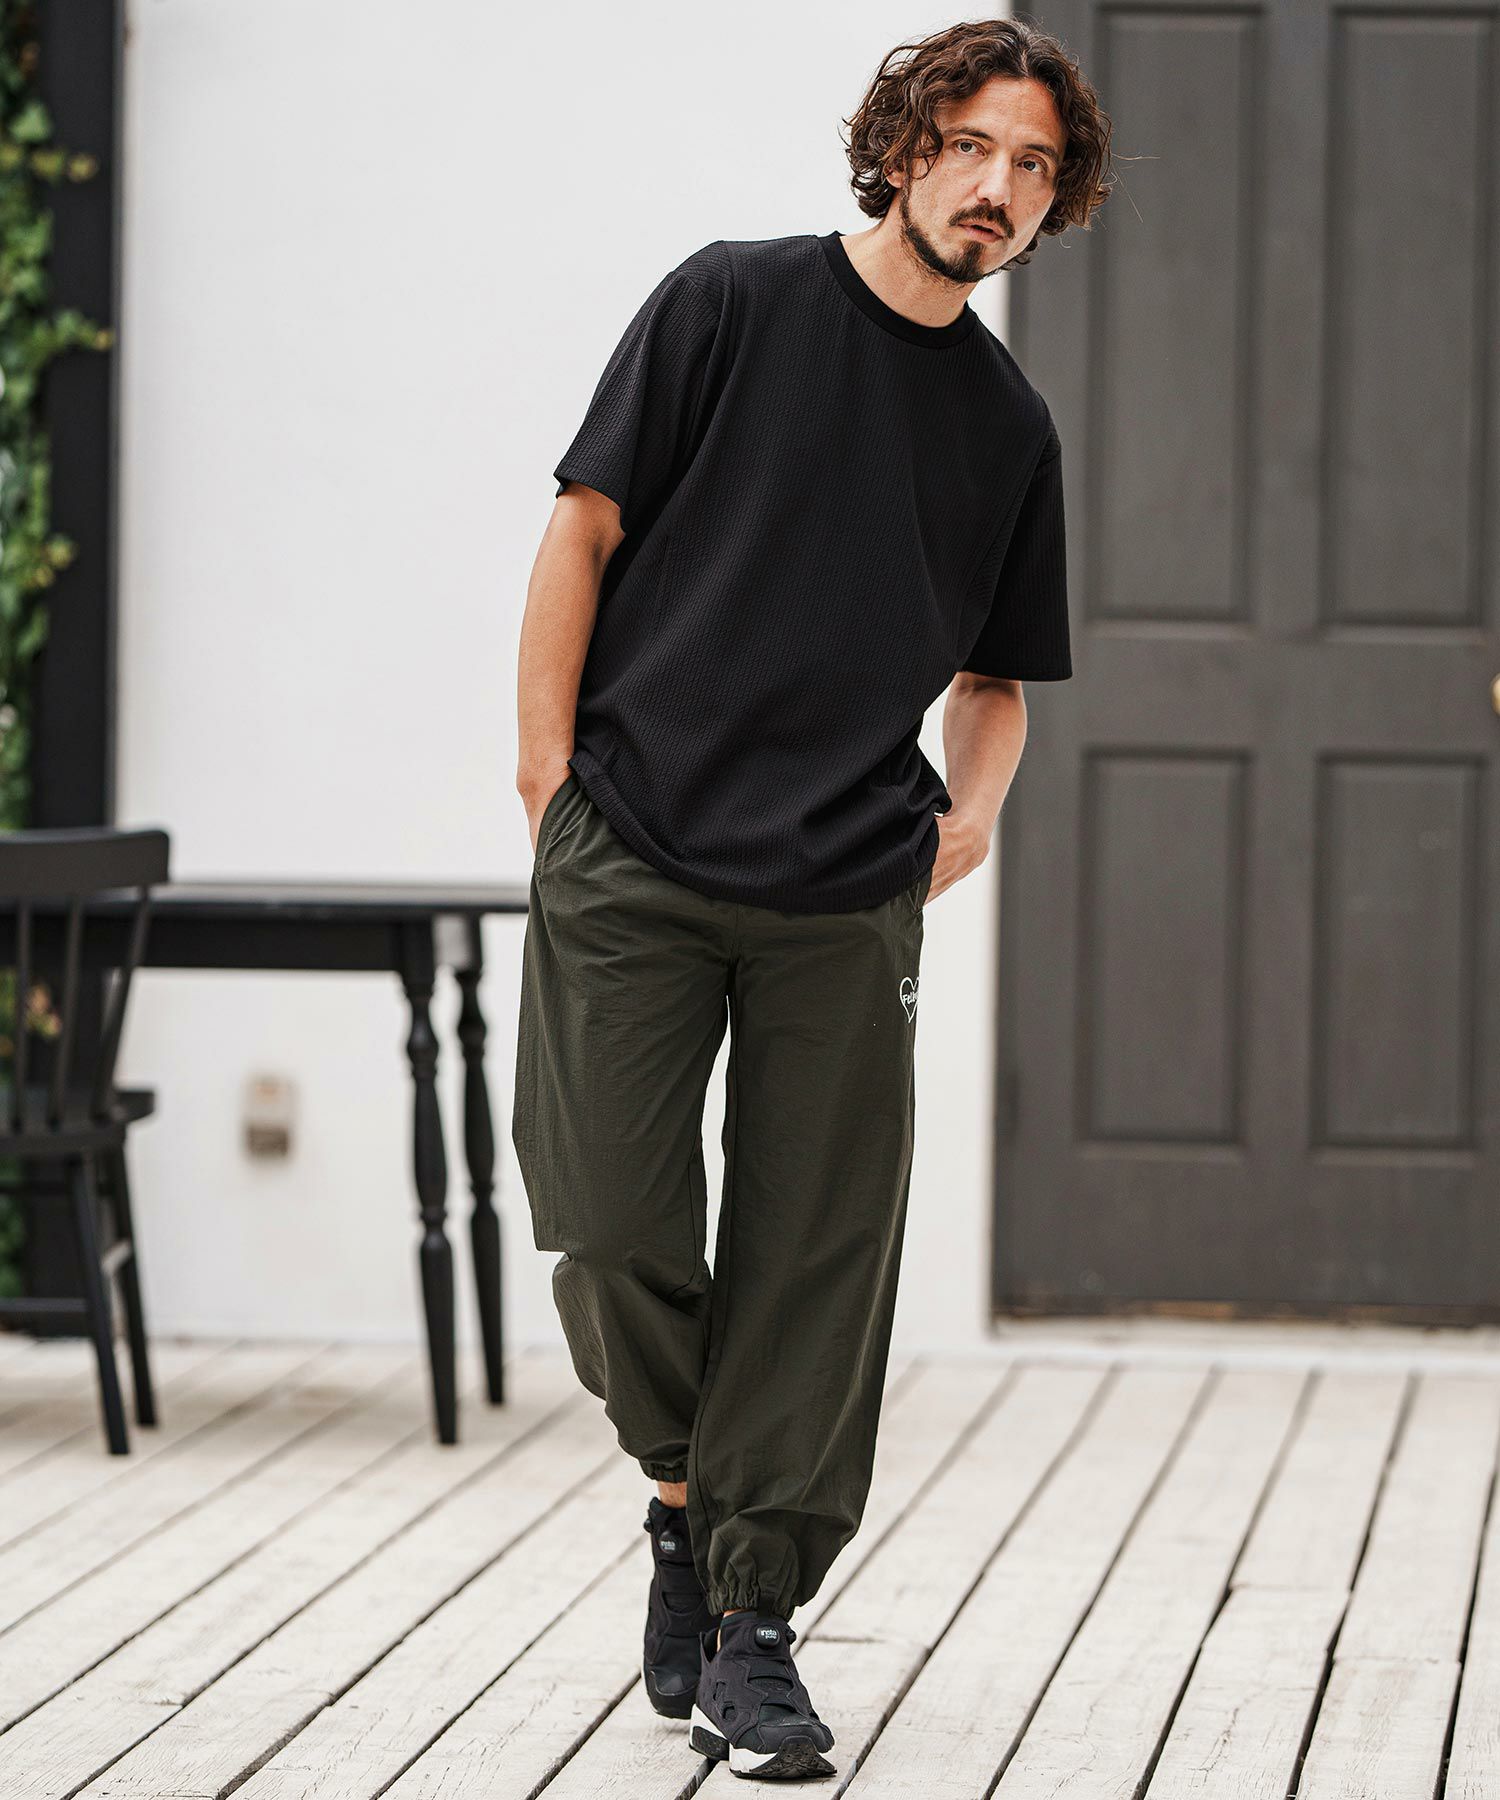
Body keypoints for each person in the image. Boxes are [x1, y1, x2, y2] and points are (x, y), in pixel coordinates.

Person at [511, 15, 1112, 1781]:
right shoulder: (729, 303)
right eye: (974, 146)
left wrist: (974, 812)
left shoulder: (1006, 427)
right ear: (907, 144)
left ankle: (753, 1619)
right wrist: (548, 784)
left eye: (1035, 168)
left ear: (1052, 204)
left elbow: (998, 682)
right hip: (632, 843)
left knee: (816, 1259)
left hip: (847, 891)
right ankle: (686, 1494)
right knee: (606, 1215)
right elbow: (582, 531)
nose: (999, 188)